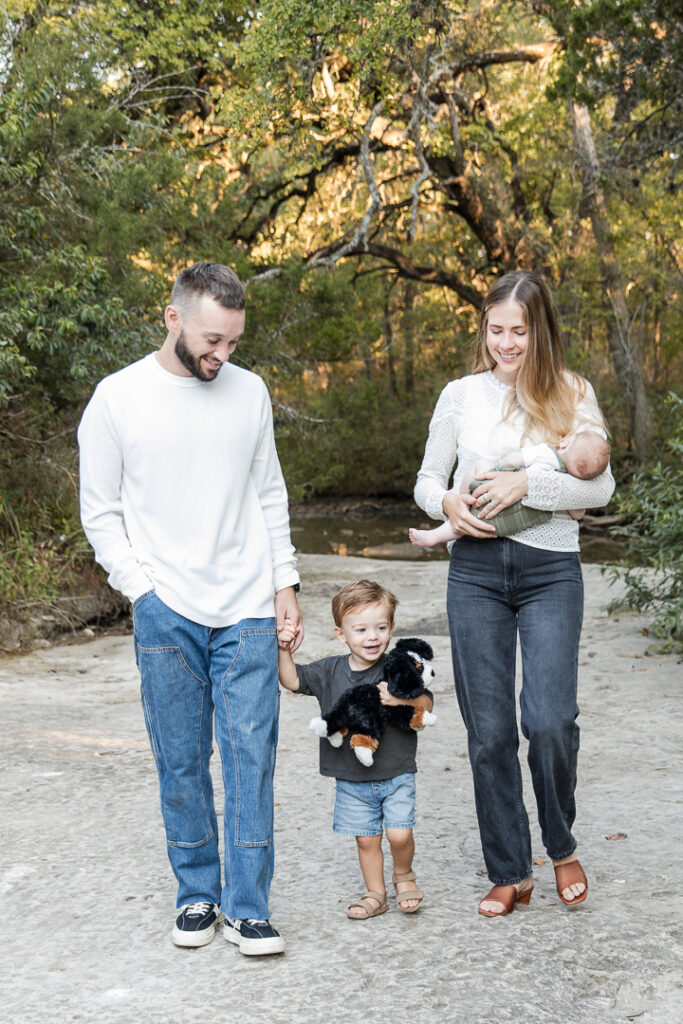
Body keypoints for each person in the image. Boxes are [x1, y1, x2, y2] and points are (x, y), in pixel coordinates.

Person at [78, 262, 302, 955]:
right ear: (172, 318)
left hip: (247, 608)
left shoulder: (250, 392)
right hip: (165, 609)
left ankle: (248, 905)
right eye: (212, 340)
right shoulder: (117, 399)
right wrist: (141, 590)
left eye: (233, 342)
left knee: (249, 760)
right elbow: (101, 510)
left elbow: (268, 491)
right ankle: (197, 894)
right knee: (180, 760)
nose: (222, 355)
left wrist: (283, 582)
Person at [414, 270, 615, 916]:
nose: (505, 344)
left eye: (518, 332)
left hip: (549, 571)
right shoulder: (460, 395)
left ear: (540, 331)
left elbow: (600, 489)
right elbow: (425, 479)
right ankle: (509, 868)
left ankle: (559, 845)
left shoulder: (571, 391)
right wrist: (444, 499)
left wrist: (528, 485)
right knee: (489, 731)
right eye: (495, 330)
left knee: (549, 721)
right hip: (472, 573)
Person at [277, 580, 433, 919]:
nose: (372, 637)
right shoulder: (329, 670)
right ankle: (376, 893)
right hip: (352, 779)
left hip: (396, 772)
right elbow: (291, 681)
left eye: (380, 627)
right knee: (366, 840)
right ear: (341, 634)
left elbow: (426, 703)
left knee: (399, 832)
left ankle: (404, 875)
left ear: (391, 628)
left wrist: (402, 698)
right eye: (360, 629)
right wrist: (283, 649)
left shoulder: (398, 667)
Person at [409, 430, 610, 547]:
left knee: (481, 472)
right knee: (473, 523)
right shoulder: (568, 482)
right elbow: (577, 513)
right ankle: (436, 534)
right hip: (510, 524)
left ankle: (459, 498)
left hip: (489, 498)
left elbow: (514, 459)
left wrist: (504, 465)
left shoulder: (546, 453)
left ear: (565, 442)